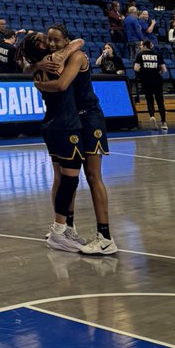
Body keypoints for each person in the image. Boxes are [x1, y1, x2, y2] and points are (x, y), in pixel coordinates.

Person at [41, 25, 118, 255]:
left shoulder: (77, 56)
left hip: (90, 118)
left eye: (57, 40)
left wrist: (40, 84)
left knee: (93, 176)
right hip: (72, 120)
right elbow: (31, 65)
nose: (52, 44)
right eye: (49, 40)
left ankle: (105, 237)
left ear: (66, 40)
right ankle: (66, 227)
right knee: (65, 175)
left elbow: (63, 84)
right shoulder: (54, 57)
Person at [18, 31, 90, 254]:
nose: (48, 42)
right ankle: (59, 231)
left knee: (60, 178)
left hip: (50, 123)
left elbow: (78, 41)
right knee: (70, 180)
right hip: (66, 124)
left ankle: (64, 228)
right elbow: (62, 81)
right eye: (44, 39)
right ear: (40, 46)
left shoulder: (40, 64)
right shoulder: (52, 60)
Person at [135, 39, 168, 132]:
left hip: (146, 81)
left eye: (141, 45)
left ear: (145, 46)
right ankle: (164, 122)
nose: (140, 47)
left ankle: (152, 116)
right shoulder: (157, 55)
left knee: (149, 100)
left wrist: (143, 71)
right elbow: (164, 69)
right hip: (157, 80)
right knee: (160, 102)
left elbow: (136, 68)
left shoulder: (140, 55)